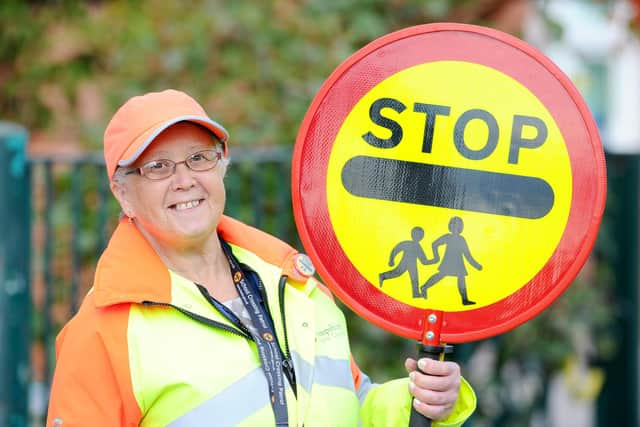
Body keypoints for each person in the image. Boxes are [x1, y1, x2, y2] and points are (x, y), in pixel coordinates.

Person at [46, 89, 476, 426]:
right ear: (123, 193)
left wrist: (422, 401)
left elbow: (353, 403)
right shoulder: (102, 334)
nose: (184, 180)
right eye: (157, 167)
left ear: (221, 166)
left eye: (198, 158)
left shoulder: (296, 286)